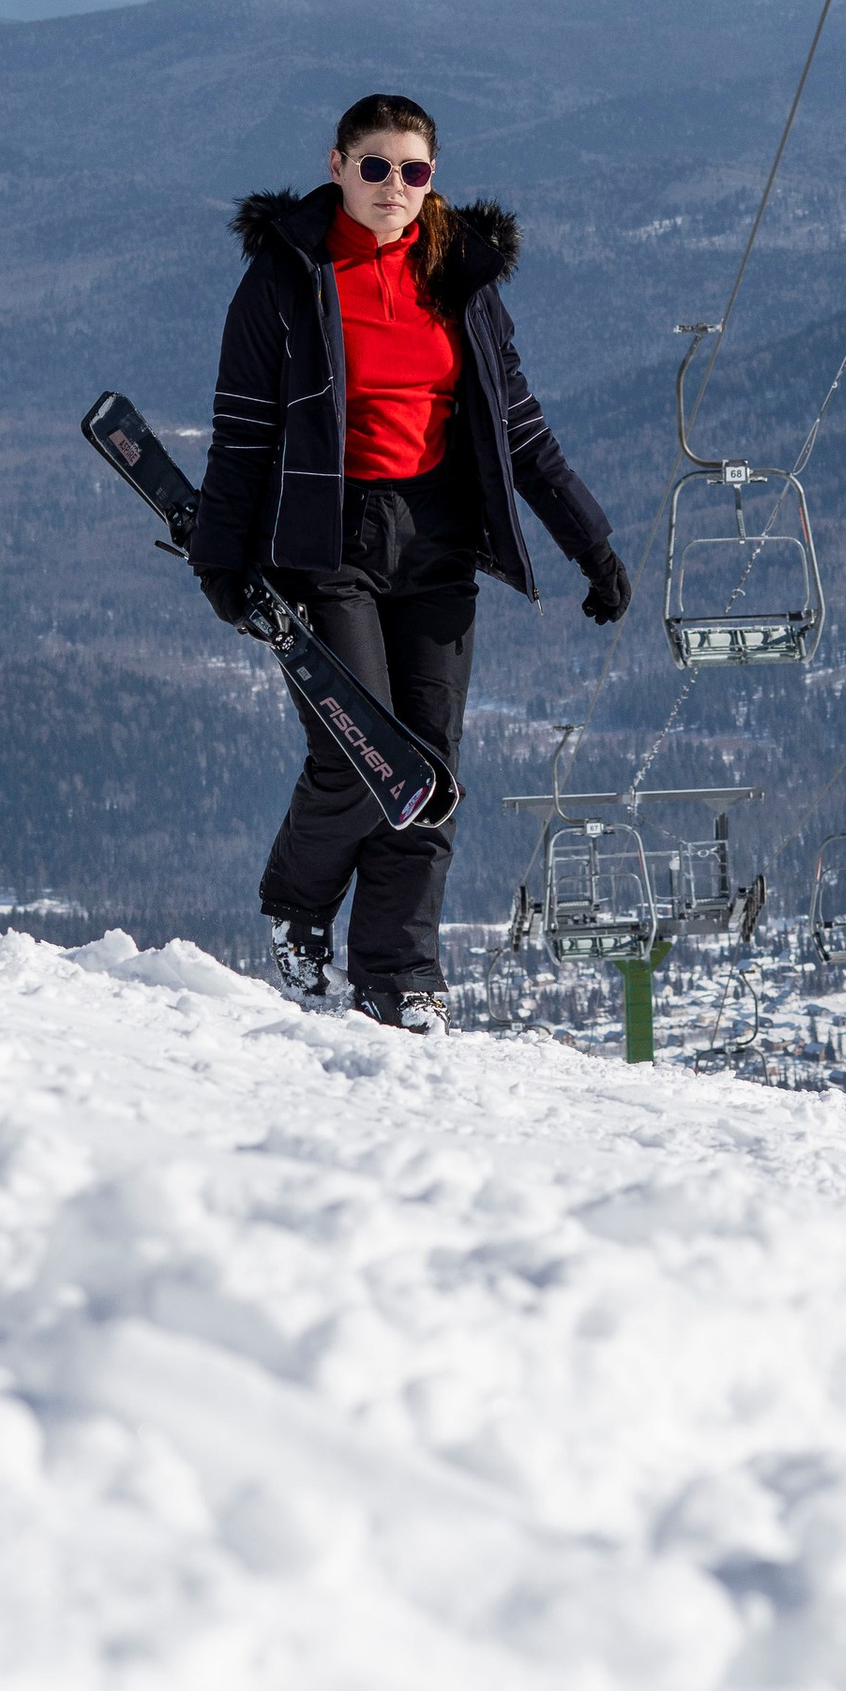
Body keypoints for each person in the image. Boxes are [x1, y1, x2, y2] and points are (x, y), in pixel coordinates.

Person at [188, 90, 631, 1032]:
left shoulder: (460, 277)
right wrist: (220, 561)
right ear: (337, 164)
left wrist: (591, 544)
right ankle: (298, 904)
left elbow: (522, 430)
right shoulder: (286, 277)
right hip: (326, 539)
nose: (396, 186)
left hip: (436, 542)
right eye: (377, 166)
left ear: (436, 180)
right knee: (357, 753)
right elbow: (243, 432)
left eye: (416, 170)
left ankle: (400, 974)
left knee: (429, 766)